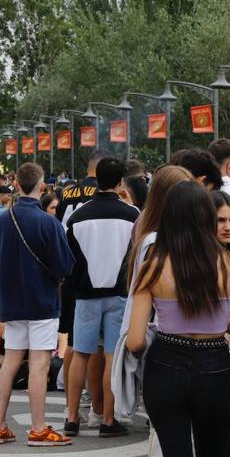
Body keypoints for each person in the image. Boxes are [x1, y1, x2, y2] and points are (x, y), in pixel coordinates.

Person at [127, 181, 230, 457]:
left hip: (165, 365)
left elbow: (134, 340)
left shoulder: (153, 266)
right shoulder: (227, 264)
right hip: (215, 364)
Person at [0, 162, 75, 447]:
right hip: (41, 301)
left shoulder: (2, 219)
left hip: (11, 301)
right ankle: (38, 428)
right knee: (38, 364)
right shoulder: (47, 222)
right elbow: (64, 265)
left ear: (16, 184)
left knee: (11, 360)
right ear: (41, 187)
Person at [63, 157, 138, 438]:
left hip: (85, 295)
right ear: (121, 182)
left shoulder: (77, 217)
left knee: (80, 354)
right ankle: (108, 419)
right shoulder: (132, 215)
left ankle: (71, 418)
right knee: (111, 357)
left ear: (95, 180)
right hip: (119, 294)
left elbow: (70, 261)